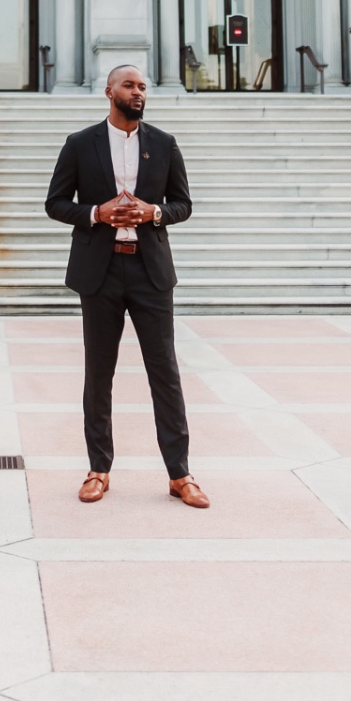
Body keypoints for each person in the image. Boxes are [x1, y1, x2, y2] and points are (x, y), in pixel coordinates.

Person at [44, 65, 209, 508]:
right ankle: (98, 469)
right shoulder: (81, 144)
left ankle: (180, 474)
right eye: (129, 85)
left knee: (165, 373)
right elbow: (55, 203)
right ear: (109, 91)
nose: (138, 92)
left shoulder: (164, 144)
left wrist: (153, 213)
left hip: (151, 272)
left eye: (142, 87)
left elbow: (183, 204)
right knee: (99, 373)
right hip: (99, 272)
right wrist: (96, 213)